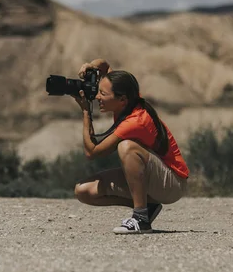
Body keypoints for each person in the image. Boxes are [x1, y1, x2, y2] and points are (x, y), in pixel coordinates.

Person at [72, 58, 189, 234]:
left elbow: (92, 152)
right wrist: (92, 66)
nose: (97, 97)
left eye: (103, 94)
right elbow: (104, 65)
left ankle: (141, 219)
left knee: (126, 147)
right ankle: (148, 206)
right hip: (153, 178)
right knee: (83, 191)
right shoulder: (127, 97)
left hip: (172, 183)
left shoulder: (135, 121)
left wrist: (86, 111)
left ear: (122, 100)